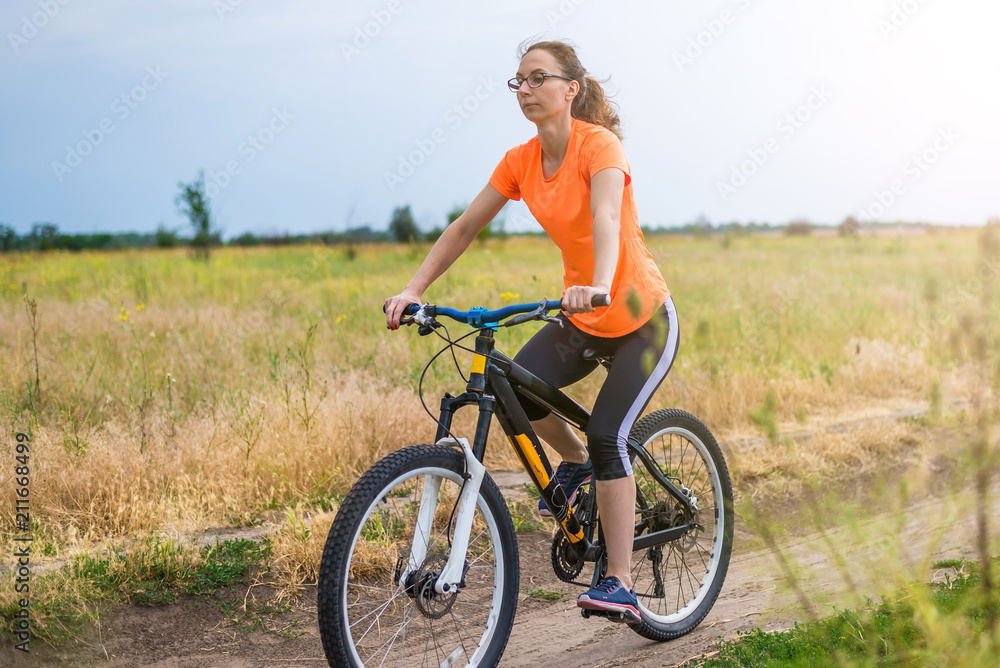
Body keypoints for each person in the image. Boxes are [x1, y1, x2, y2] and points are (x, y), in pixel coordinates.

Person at [384, 39, 678, 624]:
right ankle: (575, 468)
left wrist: (595, 283)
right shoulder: (520, 161)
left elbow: (605, 219)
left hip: (641, 318)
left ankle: (620, 581)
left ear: (571, 89)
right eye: (517, 81)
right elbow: (465, 227)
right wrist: (413, 289)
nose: (524, 89)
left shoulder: (600, 146)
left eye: (537, 78)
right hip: (581, 322)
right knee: (517, 387)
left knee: (608, 436)